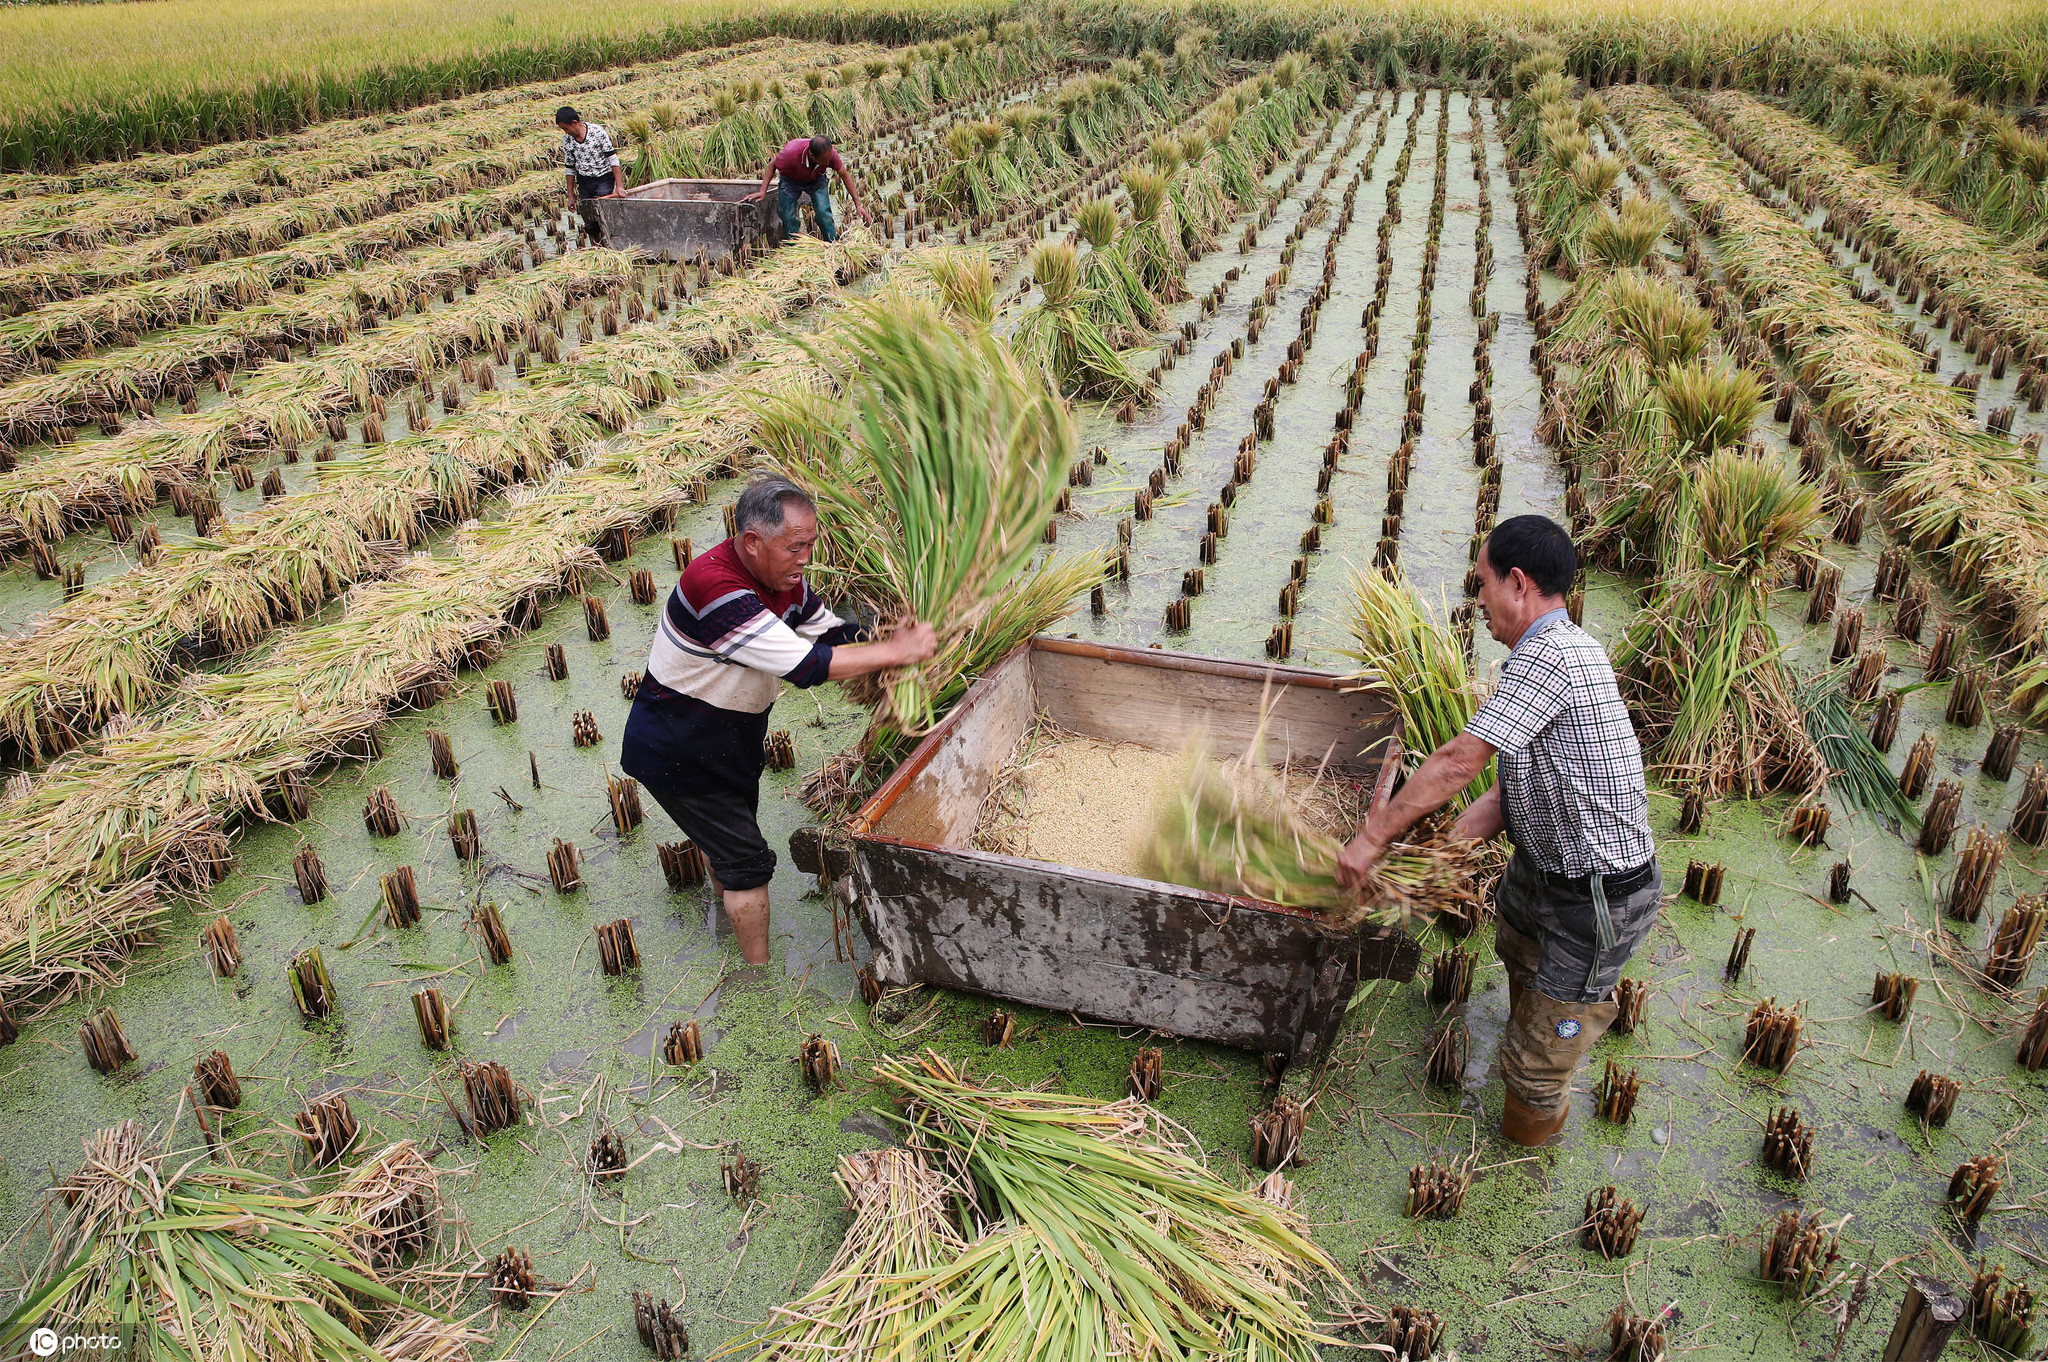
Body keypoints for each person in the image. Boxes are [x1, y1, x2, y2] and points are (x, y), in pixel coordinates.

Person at [1336, 514, 1659, 1148]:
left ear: (1517, 584)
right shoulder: (1547, 655)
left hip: (1594, 899)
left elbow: (1460, 760)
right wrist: (1436, 855)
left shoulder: (1554, 657)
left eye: (1480, 583)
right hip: (1539, 872)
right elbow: (1509, 790)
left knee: (1537, 1071)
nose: (1476, 599)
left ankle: (1524, 1155)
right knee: (1518, 968)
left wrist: (1373, 838)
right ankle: (1532, 1040)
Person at [620, 478, 935, 967]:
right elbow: (808, 665)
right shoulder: (717, 589)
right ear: (752, 542)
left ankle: (725, 923)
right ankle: (756, 976)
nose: (806, 557)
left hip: (727, 742)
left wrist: (887, 630)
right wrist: (896, 651)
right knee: (748, 865)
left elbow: (828, 633)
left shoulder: (783, 582)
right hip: (680, 750)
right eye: (796, 546)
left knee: (727, 843)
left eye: (811, 544)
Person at [758, 135, 872, 244]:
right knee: (787, 216)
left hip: (816, 180)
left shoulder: (830, 155)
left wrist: (858, 204)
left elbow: (845, 175)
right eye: (825, 161)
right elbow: (771, 166)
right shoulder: (790, 154)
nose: (828, 163)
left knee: (824, 213)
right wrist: (763, 191)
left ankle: (831, 243)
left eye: (829, 159)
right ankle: (792, 246)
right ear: (812, 155)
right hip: (791, 181)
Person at [557, 106, 623, 243]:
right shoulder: (568, 141)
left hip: (604, 177)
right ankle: (597, 246)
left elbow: (613, 159)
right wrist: (570, 196)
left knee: (599, 210)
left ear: (574, 123)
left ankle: (609, 244)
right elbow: (570, 169)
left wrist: (619, 186)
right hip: (585, 181)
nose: (566, 132)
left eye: (565, 128)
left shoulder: (597, 132)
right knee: (589, 221)